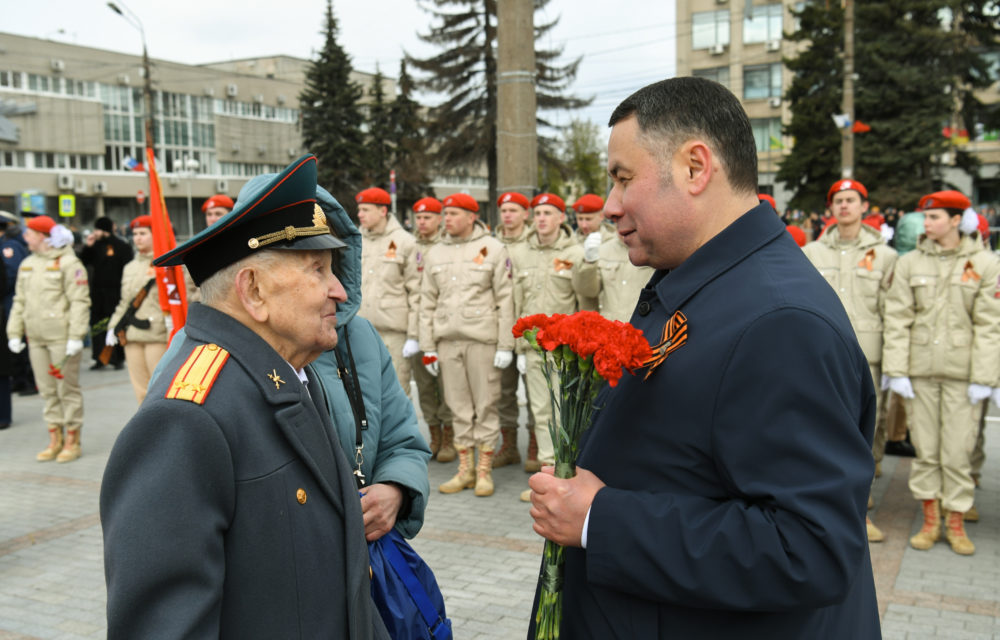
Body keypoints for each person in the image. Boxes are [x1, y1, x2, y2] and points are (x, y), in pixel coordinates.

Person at [527, 77, 879, 637]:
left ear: (695, 167)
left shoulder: (780, 322)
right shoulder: (699, 277)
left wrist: (600, 519)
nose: (610, 205)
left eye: (623, 179)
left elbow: (810, 548)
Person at [100, 155, 390, 639]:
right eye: (318, 270)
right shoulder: (185, 417)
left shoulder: (286, 370)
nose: (339, 290)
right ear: (252, 291)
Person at [882, 189, 1000, 556]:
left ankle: (956, 521)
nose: (926, 223)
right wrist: (897, 370)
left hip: (964, 376)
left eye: (934, 217)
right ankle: (931, 521)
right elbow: (898, 318)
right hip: (920, 373)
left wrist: (985, 377)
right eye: (925, 217)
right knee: (927, 451)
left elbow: (990, 324)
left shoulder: (985, 263)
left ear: (956, 220)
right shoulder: (910, 263)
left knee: (958, 452)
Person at [802, 179, 898, 544]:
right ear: (830, 209)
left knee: (869, 430)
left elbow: (893, 311)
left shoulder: (885, 255)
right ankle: (835, 502)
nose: (844, 206)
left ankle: (863, 502)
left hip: (868, 355)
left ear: (864, 206)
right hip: (825, 356)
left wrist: (894, 364)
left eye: (850, 200)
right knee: (827, 426)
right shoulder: (812, 252)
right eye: (838, 201)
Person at [421, 193, 514, 497]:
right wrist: (428, 346)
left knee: (486, 405)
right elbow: (427, 302)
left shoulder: (494, 249)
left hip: (482, 340)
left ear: (472, 216)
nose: (447, 219)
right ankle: (466, 469)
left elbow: (505, 299)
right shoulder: (435, 253)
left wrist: (505, 344)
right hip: (448, 340)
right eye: (445, 213)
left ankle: (484, 470)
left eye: (454, 214)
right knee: (458, 406)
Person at [510, 192, 598, 501]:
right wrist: (517, 345)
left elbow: (586, 302)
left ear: (562, 218)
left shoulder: (575, 252)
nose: (542, 218)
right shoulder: (521, 253)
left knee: (567, 411)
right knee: (541, 410)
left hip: (566, 350)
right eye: (538, 213)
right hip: (536, 347)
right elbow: (515, 300)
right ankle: (549, 474)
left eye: (549, 213)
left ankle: (568, 473)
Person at [7, 216, 91, 463]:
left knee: (67, 390)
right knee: (47, 391)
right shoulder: (27, 264)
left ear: (42, 236)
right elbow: (19, 301)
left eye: (29, 234)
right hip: (37, 339)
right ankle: (55, 438)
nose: (25, 238)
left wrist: (76, 336)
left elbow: (79, 302)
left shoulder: (68, 263)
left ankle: (72, 441)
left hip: (62, 340)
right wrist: (14, 332)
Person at [355, 187, 420, 396]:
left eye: (365, 209)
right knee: (365, 396)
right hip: (361, 331)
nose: (360, 214)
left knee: (397, 395)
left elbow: (417, 291)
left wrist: (414, 335)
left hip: (394, 334)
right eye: (359, 209)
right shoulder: (356, 241)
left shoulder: (406, 242)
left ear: (383, 211)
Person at [409, 197, 456, 463]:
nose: (422, 222)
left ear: (439, 219)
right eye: (418, 217)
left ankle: (449, 435)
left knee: (445, 385)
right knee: (425, 386)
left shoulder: (447, 246)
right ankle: (434, 434)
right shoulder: (409, 246)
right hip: (416, 327)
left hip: (441, 325)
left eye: (428, 217)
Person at [105, 215, 169, 404]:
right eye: (135, 234)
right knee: (141, 393)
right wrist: (113, 326)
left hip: (157, 335)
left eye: (143, 233)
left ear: (154, 234)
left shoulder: (167, 262)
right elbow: (125, 302)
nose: (138, 238)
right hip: (132, 335)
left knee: (160, 390)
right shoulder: (130, 267)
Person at [495, 191, 537, 471]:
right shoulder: (491, 243)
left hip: (529, 328)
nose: (507, 215)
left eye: (513, 210)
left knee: (535, 392)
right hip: (499, 327)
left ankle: (535, 444)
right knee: (502, 390)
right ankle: (508, 445)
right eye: (504, 210)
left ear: (526, 214)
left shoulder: (533, 244)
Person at [79, 217, 132, 370]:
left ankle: (117, 358)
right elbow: (84, 262)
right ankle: (99, 358)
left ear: (104, 230)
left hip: (115, 293)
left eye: (97, 230)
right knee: (97, 326)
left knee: (114, 325)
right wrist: (88, 247)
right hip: (97, 293)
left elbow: (127, 267)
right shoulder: (95, 246)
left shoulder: (121, 246)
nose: (95, 233)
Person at [571, 193, 615, 312]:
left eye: (588, 219)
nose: (583, 224)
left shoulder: (613, 242)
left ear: (601, 216)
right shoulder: (570, 243)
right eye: (580, 219)